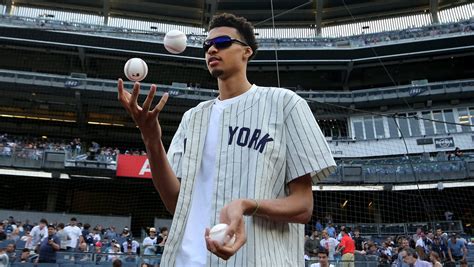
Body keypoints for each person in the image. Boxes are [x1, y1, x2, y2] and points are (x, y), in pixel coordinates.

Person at [117, 12, 336, 266]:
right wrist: (151, 139)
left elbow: (302, 206)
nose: (212, 49)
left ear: (247, 52)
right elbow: (176, 203)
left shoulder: (285, 104)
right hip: (186, 260)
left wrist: (247, 205)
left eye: (222, 43)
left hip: (255, 260)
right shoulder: (192, 118)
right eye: (207, 45)